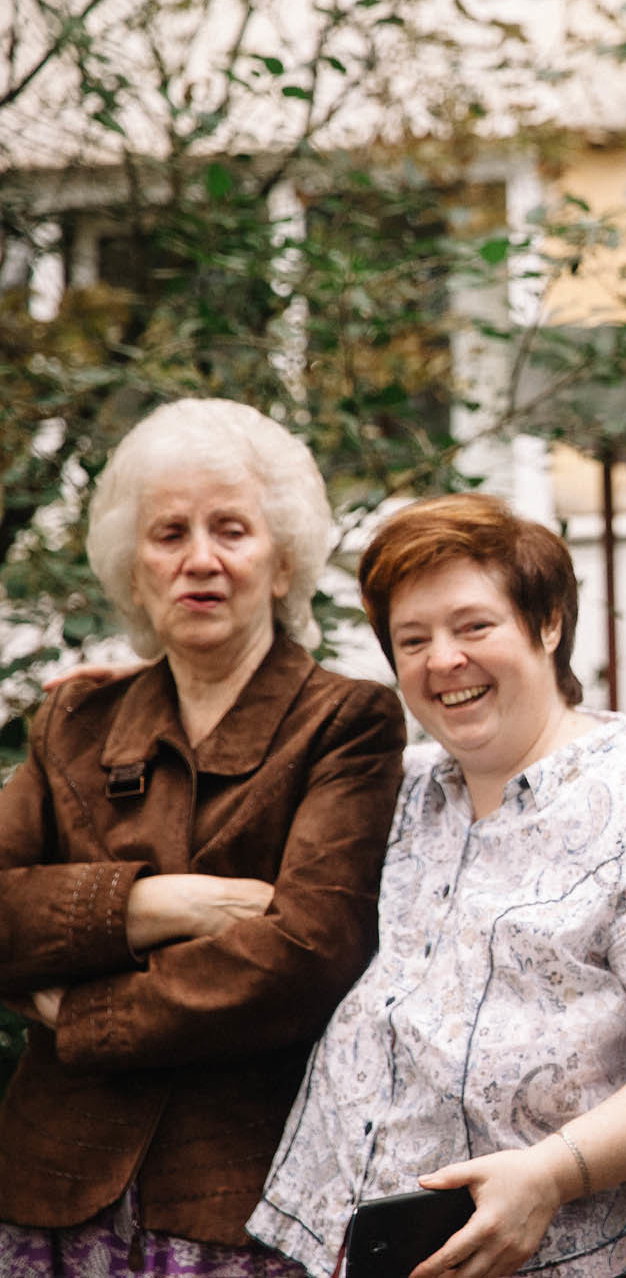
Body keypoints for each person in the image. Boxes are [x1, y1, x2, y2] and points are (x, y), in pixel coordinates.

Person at [249, 493, 626, 1278]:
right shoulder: (407, 802)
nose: (443, 660)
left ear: (548, 623)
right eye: (413, 638)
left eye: (474, 626)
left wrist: (552, 1171)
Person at [0, 398, 406, 1273]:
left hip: (239, 1197)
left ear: (285, 560)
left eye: (232, 529)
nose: (201, 560)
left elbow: (304, 954)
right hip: (49, 1190)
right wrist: (154, 903)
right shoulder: (73, 718)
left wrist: (78, 1012)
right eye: (169, 534)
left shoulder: (346, 722)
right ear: (132, 569)